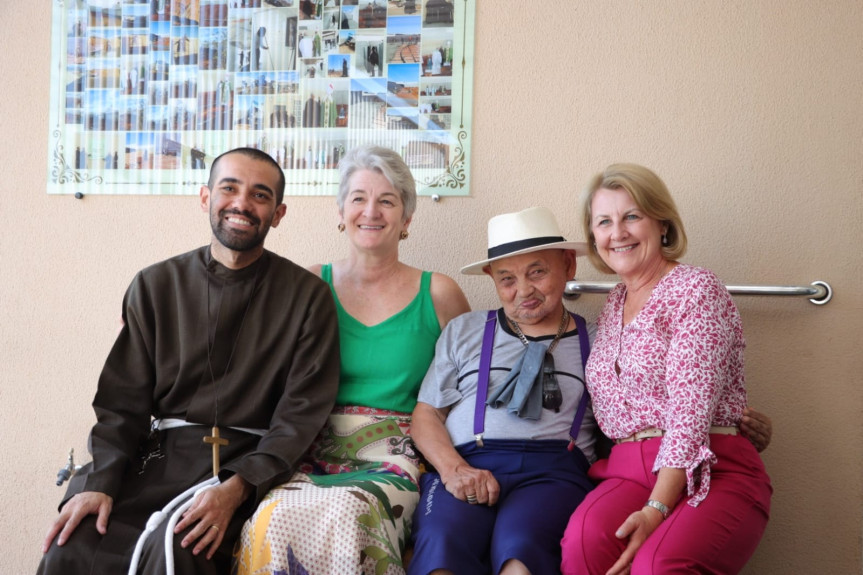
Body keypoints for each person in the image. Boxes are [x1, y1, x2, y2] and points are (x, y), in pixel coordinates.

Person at [38, 148, 341, 575]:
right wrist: (100, 482)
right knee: (73, 545)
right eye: (229, 188)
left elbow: (301, 416)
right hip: (156, 463)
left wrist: (238, 488)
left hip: (248, 464)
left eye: (260, 195)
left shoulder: (307, 297)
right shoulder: (156, 284)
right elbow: (121, 406)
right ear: (205, 198)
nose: (241, 204)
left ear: (278, 213)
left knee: (181, 552)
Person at [234, 145, 470, 575]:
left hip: (397, 456)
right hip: (308, 448)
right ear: (341, 210)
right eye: (359, 197)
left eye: (387, 200)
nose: (371, 211)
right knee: (271, 516)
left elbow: (471, 388)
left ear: (406, 219)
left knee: (349, 510)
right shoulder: (309, 284)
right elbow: (249, 347)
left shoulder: (438, 293)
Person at [560, 164, 772, 575]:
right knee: (583, 545)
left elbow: (690, 414)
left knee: (659, 567)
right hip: (626, 468)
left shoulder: (696, 289)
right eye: (604, 221)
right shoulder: (615, 302)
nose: (617, 232)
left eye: (632, 216)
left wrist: (656, 508)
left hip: (709, 464)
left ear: (662, 224)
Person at [408, 207, 599, 575]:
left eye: (537, 272)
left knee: (522, 547)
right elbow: (427, 414)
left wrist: (726, 418)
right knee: (441, 546)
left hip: (554, 474)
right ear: (491, 278)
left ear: (568, 266)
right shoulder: (465, 330)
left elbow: (642, 406)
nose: (523, 290)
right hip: (466, 464)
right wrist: (453, 470)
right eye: (507, 278)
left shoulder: (601, 339)